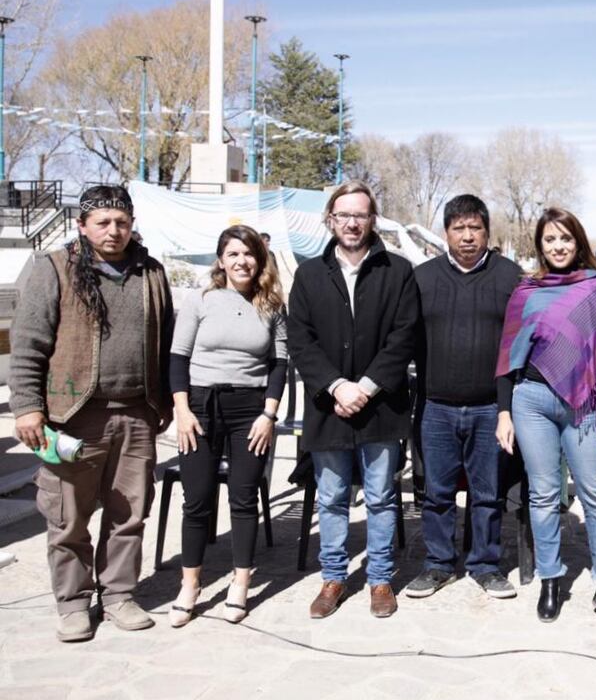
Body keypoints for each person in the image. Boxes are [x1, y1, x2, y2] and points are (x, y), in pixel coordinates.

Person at [11, 185, 173, 642]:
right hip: (71, 415)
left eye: (121, 221)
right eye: (102, 221)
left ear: (132, 223)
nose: (113, 230)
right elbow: (28, 345)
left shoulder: (150, 272)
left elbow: (165, 343)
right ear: (82, 225)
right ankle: (74, 603)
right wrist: (27, 407)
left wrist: (162, 403)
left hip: (137, 416)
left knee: (129, 513)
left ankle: (119, 594)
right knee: (68, 516)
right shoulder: (55, 270)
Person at [495, 208, 596, 621]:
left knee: (594, 494)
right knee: (543, 496)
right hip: (530, 400)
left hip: (584, 405)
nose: (558, 246)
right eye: (550, 240)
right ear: (540, 245)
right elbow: (508, 358)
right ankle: (550, 579)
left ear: (578, 241)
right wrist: (505, 413)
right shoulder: (526, 290)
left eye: (565, 238)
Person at [288, 180, 418, 620]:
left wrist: (365, 386)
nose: (351, 222)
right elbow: (300, 341)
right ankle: (333, 577)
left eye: (359, 214)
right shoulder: (308, 275)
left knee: (381, 496)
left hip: (381, 406)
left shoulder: (397, 271)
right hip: (329, 408)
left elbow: (404, 336)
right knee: (331, 497)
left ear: (372, 220)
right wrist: (336, 386)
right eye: (343, 214)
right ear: (330, 219)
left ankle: (380, 578)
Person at [167, 225, 287, 627]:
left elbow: (279, 365)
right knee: (197, 500)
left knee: (243, 497)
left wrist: (268, 415)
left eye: (249, 253)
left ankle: (240, 584)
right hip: (200, 408)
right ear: (221, 260)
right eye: (233, 254)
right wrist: (182, 411)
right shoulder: (200, 299)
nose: (242, 261)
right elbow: (178, 359)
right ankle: (191, 585)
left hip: (249, 411)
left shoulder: (271, 305)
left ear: (260, 258)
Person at [407, 194, 522, 601]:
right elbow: (405, 340)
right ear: (446, 233)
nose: (468, 236)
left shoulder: (510, 277)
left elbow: (517, 349)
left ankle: (485, 566)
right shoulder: (422, 279)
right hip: (436, 405)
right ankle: (438, 564)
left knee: (487, 493)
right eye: (460, 228)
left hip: (490, 406)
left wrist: (507, 408)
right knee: (436, 493)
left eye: (475, 228)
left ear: (487, 232)